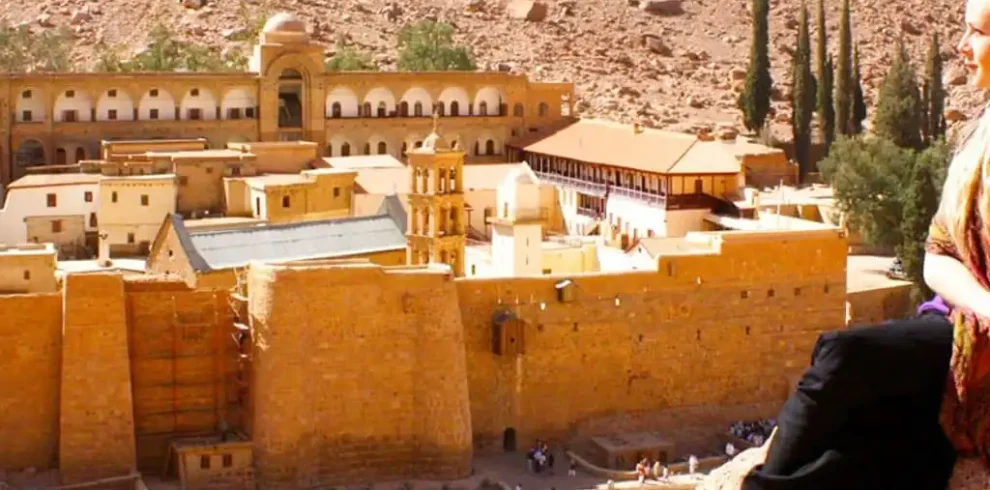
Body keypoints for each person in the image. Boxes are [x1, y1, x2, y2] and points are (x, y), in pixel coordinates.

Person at [742, 2, 990, 488]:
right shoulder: (979, 133)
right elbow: (937, 255)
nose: (961, 46)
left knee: (842, 357)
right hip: (965, 327)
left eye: (977, 32)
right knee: (870, 445)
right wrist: (986, 306)